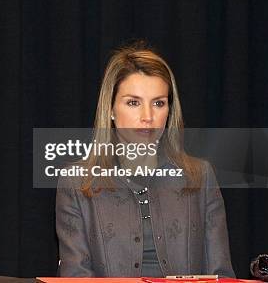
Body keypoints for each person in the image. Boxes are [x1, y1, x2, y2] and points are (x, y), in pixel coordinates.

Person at [56, 42, 235, 277]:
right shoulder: (76, 183)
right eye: (133, 102)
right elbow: (75, 278)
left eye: (158, 103)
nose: (147, 117)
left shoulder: (200, 176)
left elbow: (220, 275)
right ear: (110, 109)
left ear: (169, 111)